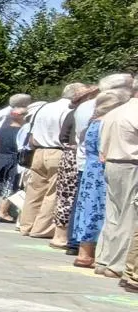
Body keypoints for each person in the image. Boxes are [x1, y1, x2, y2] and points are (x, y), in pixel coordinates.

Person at [69, 85, 126, 270]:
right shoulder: (106, 124)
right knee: (100, 210)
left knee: (87, 208)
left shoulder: (93, 123)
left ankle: (83, 253)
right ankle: (94, 254)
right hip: (101, 170)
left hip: (90, 170)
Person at [17, 88, 76, 239]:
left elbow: (31, 135)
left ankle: (26, 225)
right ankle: (41, 229)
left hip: (38, 151)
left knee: (34, 191)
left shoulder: (43, 108)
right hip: (57, 151)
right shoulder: (69, 109)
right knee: (53, 193)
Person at [48, 83, 98, 251]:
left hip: (69, 154)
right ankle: (68, 238)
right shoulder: (89, 112)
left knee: (66, 196)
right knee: (71, 197)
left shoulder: (74, 113)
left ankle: (63, 236)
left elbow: (62, 136)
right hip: (78, 156)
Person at [97, 86, 138, 284]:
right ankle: (118, 264)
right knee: (129, 216)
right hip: (131, 163)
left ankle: (104, 259)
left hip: (112, 161)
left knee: (113, 213)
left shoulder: (115, 111)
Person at [0, 105, 29, 222]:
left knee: (3, 185)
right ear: (20, 117)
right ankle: (3, 212)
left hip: (3, 158)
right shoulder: (22, 130)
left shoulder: (3, 130)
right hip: (14, 159)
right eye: (25, 114)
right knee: (10, 186)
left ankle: (2, 210)